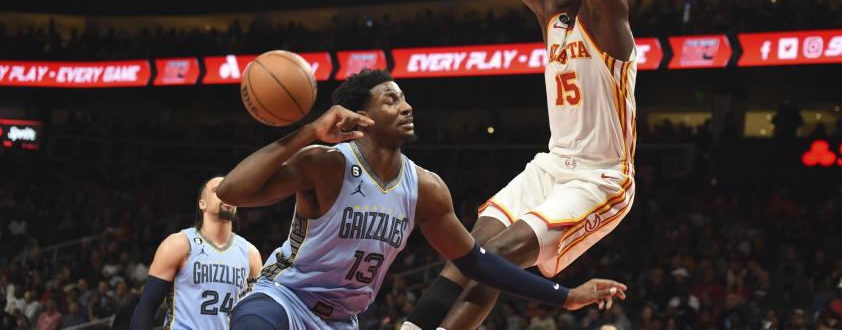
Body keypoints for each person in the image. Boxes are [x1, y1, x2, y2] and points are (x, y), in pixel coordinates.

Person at [401, 0, 637, 330]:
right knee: (471, 248)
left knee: (500, 256)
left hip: (602, 178)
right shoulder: (552, 15)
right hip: (552, 165)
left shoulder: (611, 23)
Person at [216, 69, 627, 330]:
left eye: (404, 97)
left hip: (342, 320)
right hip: (283, 300)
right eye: (391, 99)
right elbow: (232, 192)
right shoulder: (327, 164)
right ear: (361, 115)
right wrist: (308, 131)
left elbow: (478, 263)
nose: (407, 105)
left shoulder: (425, 188)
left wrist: (565, 294)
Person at [129, 176, 263, 330]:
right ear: (202, 203)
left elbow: (255, 313)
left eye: (231, 191)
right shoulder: (179, 244)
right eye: (219, 191)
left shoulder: (251, 254)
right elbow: (147, 306)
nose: (227, 195)